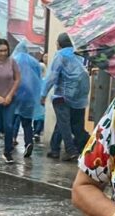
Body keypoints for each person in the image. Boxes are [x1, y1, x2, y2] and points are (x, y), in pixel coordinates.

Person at [41, 33, 90, 161]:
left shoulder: (61, 55)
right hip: (80, 96)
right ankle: (54, 149)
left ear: (59, 43)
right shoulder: (78, 54)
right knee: (69, 123)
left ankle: (71, 150)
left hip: (62, 95)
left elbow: (52, 76)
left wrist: (43, 94)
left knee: (65, 124)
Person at [10, 40, 44, 158]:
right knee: (27, 122)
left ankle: (11, 140)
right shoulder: (35, 63)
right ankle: (29, 142)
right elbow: (39, 80)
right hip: (29, 96)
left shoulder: (13, 60)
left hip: (15, 94)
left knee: (12, 119)